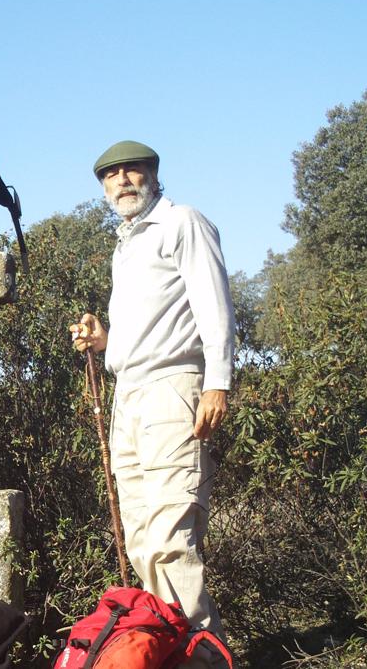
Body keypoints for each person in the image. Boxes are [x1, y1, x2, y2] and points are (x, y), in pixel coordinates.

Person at [69, 141, 235, 640]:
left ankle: (202, 654)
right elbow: (153, 323)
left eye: (132, 171)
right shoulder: (127, 242)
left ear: (153, 176)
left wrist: (218, 383)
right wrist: (105, 340)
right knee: (141, 540)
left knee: (170, 538)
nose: (122, 181)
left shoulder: (182, 222)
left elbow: (214, 303)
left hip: (173, 389)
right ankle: (168, 649)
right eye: (111, 175)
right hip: (129, 395)